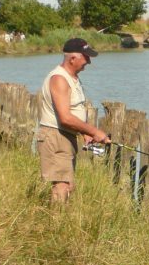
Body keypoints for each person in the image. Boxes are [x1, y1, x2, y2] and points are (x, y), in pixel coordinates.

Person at [36, 38, 110, 203]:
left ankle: (59, 222)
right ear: (72, 58)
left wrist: (84, 132)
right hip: (56, 137)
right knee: (62, 185)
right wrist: (94, 131)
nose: (89, 61)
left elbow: (72, 112)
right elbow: (65, 117)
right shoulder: (59, 79)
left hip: (65, 136)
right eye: (86, 57)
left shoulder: (72, 77)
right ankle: (56, 225)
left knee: (68, 185)